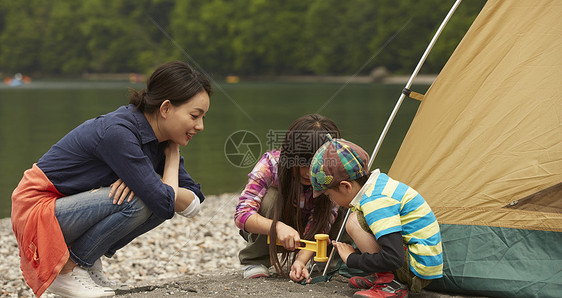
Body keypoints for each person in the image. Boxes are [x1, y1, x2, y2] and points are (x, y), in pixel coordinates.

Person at [11, 61, 211, 297]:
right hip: (36, 209)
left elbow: (194, 203)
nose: (200, 126)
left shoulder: (161, 141)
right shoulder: (119, 132)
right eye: (195, 116)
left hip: (68, 209)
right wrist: (164, 174)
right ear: (166, 108)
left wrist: (171, 158)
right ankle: (67, 271)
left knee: (154, 196)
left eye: (203, 117)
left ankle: (86, 262)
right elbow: (166, 202)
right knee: (141, 199)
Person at [309, 135, 443, 298]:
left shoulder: (376, 202)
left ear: (346, 187)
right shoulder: (377, 186)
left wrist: (351, 259)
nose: (332, 201)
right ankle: (383, 277)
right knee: (357, 217)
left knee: (354, 221)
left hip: (417, 270)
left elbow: (393, 258)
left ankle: (391, 284)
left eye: (329, 195)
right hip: (417, 261)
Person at [234, 114, 347, 282]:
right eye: (303, 163)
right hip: (275, 227)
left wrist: (301, 260)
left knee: (346, 200)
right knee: (271, 197)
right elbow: (242, 215)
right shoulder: (271, 164)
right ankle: (255, 260)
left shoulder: (333, 175)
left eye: (316, 166)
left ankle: (330, 262)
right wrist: (277, 227)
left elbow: (323, 223)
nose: (309, 173)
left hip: (312, 232)